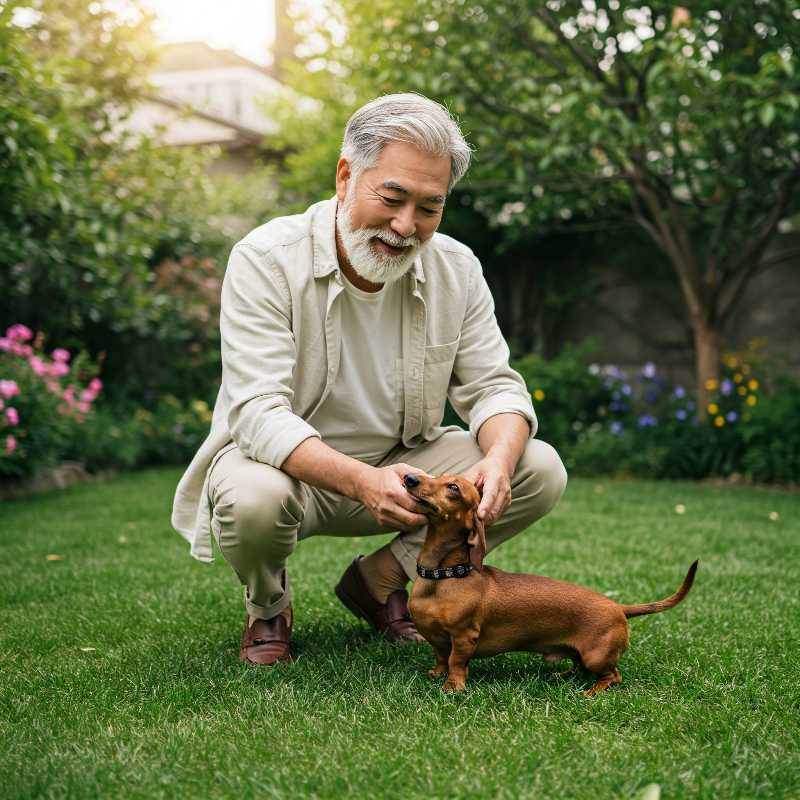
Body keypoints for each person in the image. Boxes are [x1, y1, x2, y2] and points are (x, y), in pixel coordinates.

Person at [172, 93, 568, 666]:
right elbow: (256, 412)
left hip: (406, 468)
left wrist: (498, 464)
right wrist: (361, 483)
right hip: (290, 474)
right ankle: (269, 606)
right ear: (345, 176)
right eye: (392, 198)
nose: (406, 225)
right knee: (252, 499)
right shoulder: (264, 257)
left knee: (537, 466)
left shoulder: (457, 267)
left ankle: (380, 582)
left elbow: (495, 389)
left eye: (430, 208)